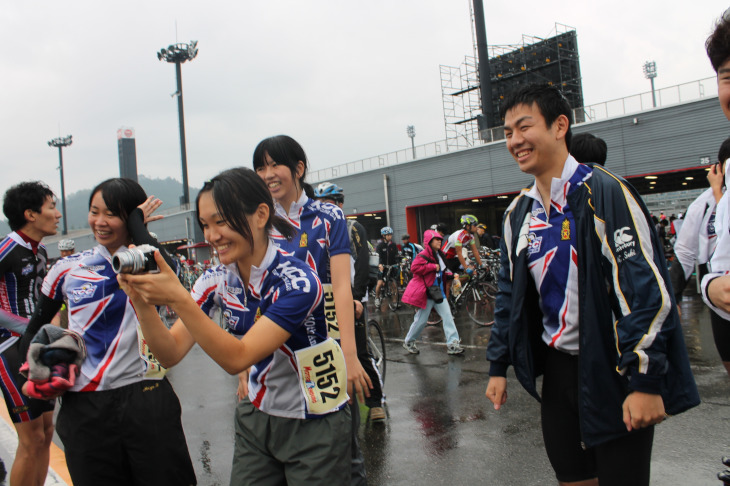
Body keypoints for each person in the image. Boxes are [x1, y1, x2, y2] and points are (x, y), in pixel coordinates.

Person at [484, 84, 699, 486]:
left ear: (559, 125)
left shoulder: (604, 192)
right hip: (559, 374)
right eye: (508, 132)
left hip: (612, 370)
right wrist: (498, 365)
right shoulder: (519, 213)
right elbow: (509, 295)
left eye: (523, 127)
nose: (514, 141)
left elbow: (643, 290)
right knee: (573, 479)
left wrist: (645, 380)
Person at [119, 168, 351, 485]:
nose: (212, 236)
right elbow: (169, 354)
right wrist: (142, 302)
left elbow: (238, 357)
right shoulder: (214, 279)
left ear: (260, 215)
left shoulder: (297, 280)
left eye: (221, 221)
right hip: (255, 416)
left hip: (314, 420)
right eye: (205, 225)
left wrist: (177, 296)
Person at [21, 178, 196, 486]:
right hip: (85, 408)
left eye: (112, 214)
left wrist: (138, 226)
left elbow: (170, 274)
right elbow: (33, 331)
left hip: (146, 397)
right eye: (93, 211)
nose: (99, 222)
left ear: (130, 216)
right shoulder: (67, 269)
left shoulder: (148, 260)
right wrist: (40, 379)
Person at [253, 135, 371, 485]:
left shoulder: (327, 215)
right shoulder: (259, 220)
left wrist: (349, 355)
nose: (268, 174)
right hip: (272, 347)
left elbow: (340, 287)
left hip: (322, 349)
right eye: (261, 167)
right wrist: (243, 369)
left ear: (299, 169)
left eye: (275, 165)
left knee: (343, 451)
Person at [0, 181, 60, 486]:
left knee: (46, 434)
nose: (58, 214)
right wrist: (27, 328)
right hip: (9, 350)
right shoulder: (5, 249)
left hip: (38, 348)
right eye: (51, 207)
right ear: (30, 214)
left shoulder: (41, 251)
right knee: (30, 438)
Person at [314, 181, 386, 422]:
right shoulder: (315, 229)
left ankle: (376, 402)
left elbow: (363, 264)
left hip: (352, 298)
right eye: (320, 203)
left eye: (329, 203)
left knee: (359, 351)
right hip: (324, 299)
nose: (324, 207)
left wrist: (356, 298)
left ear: (340, 204)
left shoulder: (352, 227)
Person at [671, 138, 728, 329]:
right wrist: (674, 296)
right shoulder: (702, 204)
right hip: (720, 290)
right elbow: (685, 252)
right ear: (718, 168)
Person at [401, 229, 464, 355]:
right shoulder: (423, 255)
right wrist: (432, 267)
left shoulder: (440, 255)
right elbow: (414, 268)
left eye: (440, 240)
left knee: (448, 317)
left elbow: (442, 271)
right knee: (421, 320)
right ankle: (409, 341)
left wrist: (452, 275)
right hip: (428, 293)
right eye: (437, 240)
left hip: (438, 292)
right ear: (429, 241)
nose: (440, 242)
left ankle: (453, 344)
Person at [51, 239, 76, 329]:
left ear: (72, 251)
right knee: (63, 322)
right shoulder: (56, 264)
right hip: (62, 298)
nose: (64, 254)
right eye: (62, 251)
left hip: (75, 296)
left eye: (66, 251)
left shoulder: (79, 262)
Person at [373, 226, 399, 308]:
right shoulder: (380, 246)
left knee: (394, 285)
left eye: (390, 235)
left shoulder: (393, 245)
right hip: (382, 268)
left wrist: (398, 262)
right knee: (380, 283)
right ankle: (377, 297)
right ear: (384, 236)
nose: (390, 236)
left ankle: (395, 302)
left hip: (391, 267)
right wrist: (380, 264)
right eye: (388, 235)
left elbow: (396, 256)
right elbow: (378, 257)